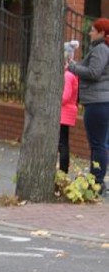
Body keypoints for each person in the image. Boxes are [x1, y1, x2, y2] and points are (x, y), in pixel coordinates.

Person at [67, 18, 109, 195]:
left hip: (97, 102)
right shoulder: (101, 48)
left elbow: (93, 72)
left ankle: (97, 181)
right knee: (100, 143)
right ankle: (96, 178)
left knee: (97, 143)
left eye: (93, 30)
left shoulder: (100, 49)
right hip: (100, 101)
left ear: (101, 33)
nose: (90, 33)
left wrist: (73, 67)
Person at [59, 40, 80, 174]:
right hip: (67, 112)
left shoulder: (67, 75)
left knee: (62, 144)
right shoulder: (72, 74)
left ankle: (63, 170)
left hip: (64, 113)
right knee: (63, 143)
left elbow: (65, 97)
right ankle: (63, 170)